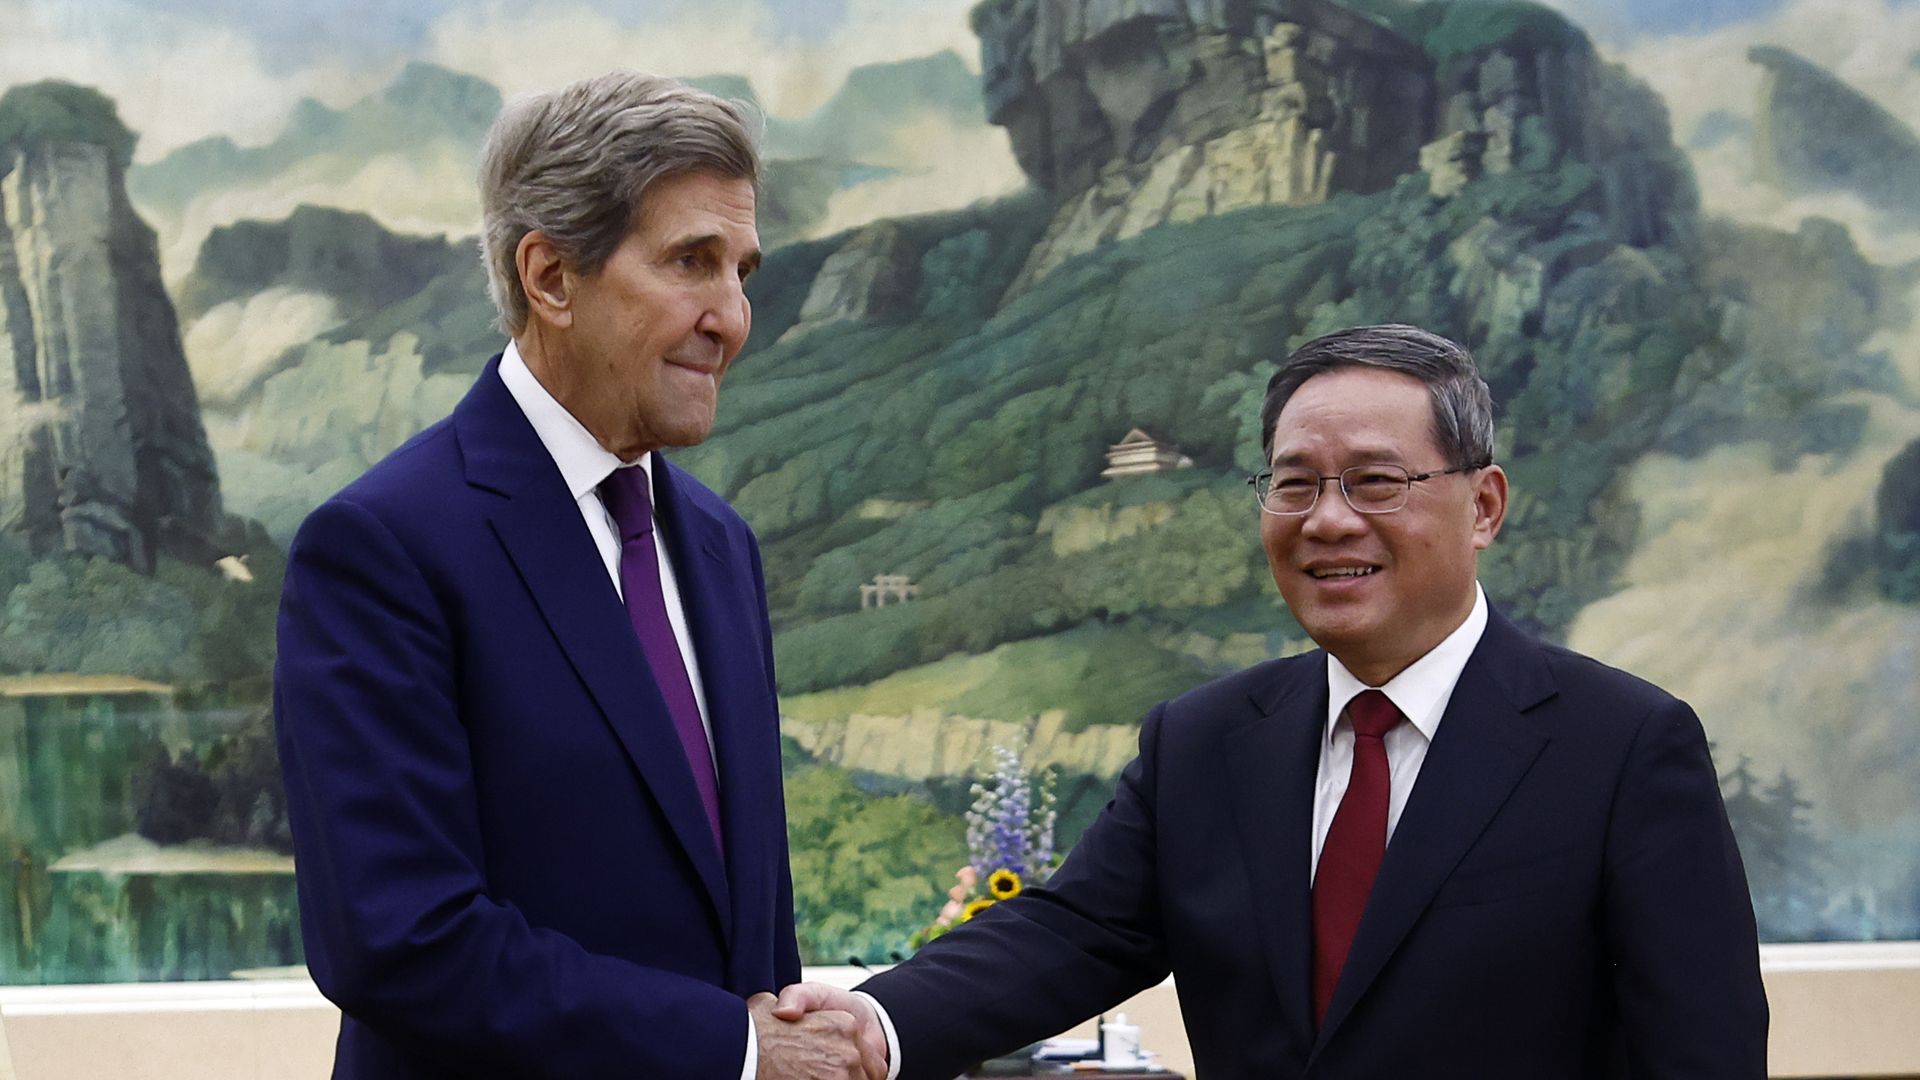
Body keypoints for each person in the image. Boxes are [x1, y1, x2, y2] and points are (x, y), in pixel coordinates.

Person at [776, 324, 1768, 1078]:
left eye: (1378, 482)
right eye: (1294, 485)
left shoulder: (1623, 748)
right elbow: (1068, 935)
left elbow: (1702, 1050)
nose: (1328, 520)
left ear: (1484, 506)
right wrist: (872, 1022)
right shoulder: (1205, 742)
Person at [274, 72, 877, 1080]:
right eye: (692, 262)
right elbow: (398, 939)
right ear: (551, 277)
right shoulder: (380, 548)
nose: (732, 318)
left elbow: (738, 915)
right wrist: (731, 1049)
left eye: (743, 272)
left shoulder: (722, 544)